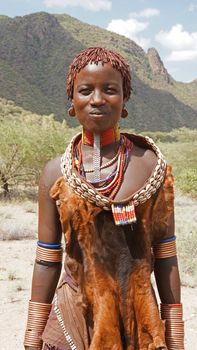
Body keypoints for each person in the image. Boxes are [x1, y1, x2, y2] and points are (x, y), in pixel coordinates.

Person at [24, 47, 184, 350]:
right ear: (72, 102)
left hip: (137, 315)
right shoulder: (55, 172)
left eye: (110, 90)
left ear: (124, 101)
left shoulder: (151, 165)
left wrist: (174, 336)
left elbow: (165, 255)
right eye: (85, 90)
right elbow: (47, 259)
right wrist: (32, 337)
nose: (97, 99)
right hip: (76, 310)